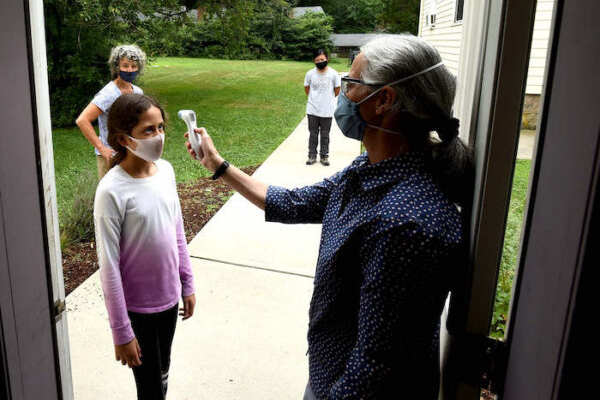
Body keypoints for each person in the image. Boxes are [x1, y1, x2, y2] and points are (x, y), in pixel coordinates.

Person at [186, 34, 472, 399]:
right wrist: (218, 165)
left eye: (351, 84)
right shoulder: (368, 170)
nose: (342, 94)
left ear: (383, 100)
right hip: (329, 373)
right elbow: (293, 203)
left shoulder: (405, 223)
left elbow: (376, 368)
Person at [94, 94, 196, 400]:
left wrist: (187, 284)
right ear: (124, 139)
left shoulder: (165, 171)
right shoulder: (112, 190)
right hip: (137, 310)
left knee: (162, 374)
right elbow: (108, 266)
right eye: (148, 130)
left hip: (168, 301)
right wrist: (121, 332)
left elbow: (177, 230)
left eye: (161, 127)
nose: (159, 136)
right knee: (150, 389)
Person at [76, 44, 146, 179]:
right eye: (125, 65)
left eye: (134, 66)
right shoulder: (109, 94)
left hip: (131, 153)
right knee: (110, 196)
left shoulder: (137, 92)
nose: (130, 70)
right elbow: (82, 120)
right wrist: (102, 149)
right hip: (111, 155)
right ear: (117, 67)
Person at [304, 48, 341, 166]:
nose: (320, 62)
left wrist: (327, 100)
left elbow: (337, 90)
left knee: (325, 135)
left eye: (322, 59)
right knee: (313, 135)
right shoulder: (310, 74)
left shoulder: (333, 74)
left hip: (327, 111)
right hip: (312, 110)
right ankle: (312, 156)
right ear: (314, 61)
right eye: (317, 60)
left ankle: (324, 156)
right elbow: (307, 89)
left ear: (327, 59)